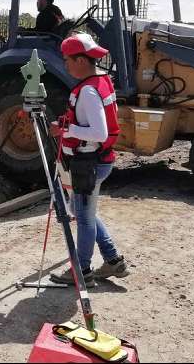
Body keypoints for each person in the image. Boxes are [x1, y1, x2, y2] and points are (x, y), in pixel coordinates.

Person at [49, 33, 129, 287]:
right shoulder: (101, 81)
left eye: (67, 60)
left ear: (82, 60)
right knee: (83, 211)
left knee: (82, 217)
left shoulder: (88, 92)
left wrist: (66, 130)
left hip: (89, 162)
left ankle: (81, 271)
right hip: (96, 160)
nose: (66, 65)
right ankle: (113, 260)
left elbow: (99, 132)